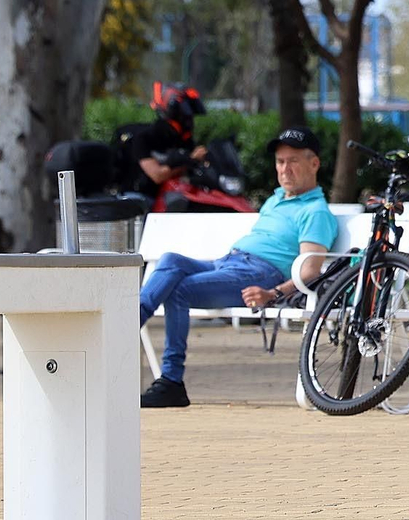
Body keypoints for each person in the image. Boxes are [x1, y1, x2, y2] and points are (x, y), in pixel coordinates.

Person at [138, 126, 340, 408]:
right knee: (171, 259)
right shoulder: (276, 200)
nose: (285, 169)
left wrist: (273, 294)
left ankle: (171, 380)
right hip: (230, 262)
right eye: (280, 162)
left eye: (293, 161)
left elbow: (309, 272)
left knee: (179, 290)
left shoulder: (315, 211)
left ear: (314, 163)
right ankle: (129, 322)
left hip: (259, 274)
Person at [114, 83, 209, 198]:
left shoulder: (183, 139)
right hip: (140, 198)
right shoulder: (144, 138)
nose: (190, 121)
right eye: (187, 116)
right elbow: (157, 175)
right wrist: (190, 160)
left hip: (168, 195)